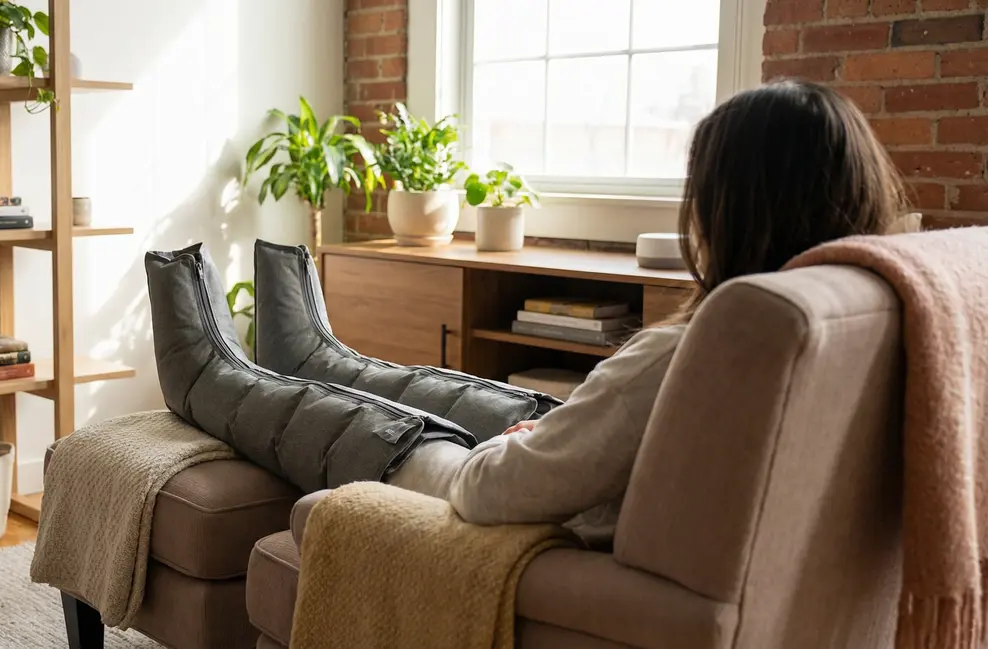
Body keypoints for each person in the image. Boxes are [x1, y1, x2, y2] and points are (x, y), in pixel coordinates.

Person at [387, 79, 907, 547]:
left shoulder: (680, 357)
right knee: (392, 380)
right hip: (572, 458)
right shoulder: (875, 321)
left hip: (529, 512)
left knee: (337, 408)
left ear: (731, 209)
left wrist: (490, 453)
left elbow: (482, 493)